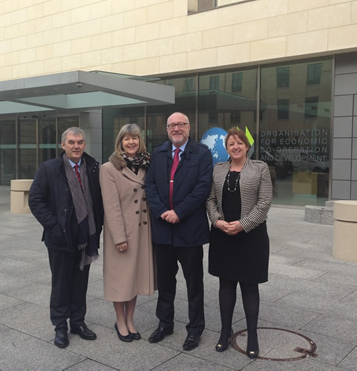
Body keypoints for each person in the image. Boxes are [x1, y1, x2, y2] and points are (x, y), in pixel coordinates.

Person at [29, 127, 104, 349]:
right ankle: (60, 326)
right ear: (63, 145)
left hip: (85, 237)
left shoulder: (92, 168)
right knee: (61, 284)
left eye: (80, 142)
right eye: (71, 142)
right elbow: (35, 200)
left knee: (80, 283)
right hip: (60, 239)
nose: (76, 146)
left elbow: (98, 201)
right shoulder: (50, 168)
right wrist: (53, 226)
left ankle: (78, 323)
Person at [145, 112, 213, 351]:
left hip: (189, 230)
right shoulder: (158, 153)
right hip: (163, 229)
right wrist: (162, 210)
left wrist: (179, 212)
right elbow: (150, 185)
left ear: (188, 127)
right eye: (172, 125)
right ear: (167, 129)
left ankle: (195, 329)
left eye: (180, 124)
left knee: (193, 283)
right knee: (165, 281)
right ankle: (165, 323)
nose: (176, 128)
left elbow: (203, 187)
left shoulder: (202, 154)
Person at [206, 127, 272, 359]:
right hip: (223, 236)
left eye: (239, 143)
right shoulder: (218, 169)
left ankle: (252, 335)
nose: (235, 147)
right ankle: (225, 330)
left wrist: (243, 224)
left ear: (247, 146)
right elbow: (210, 199)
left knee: (249, 286)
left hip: (251, 237)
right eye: (231, 143)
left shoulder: (260, 168)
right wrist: (217, 221)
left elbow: (264, 203)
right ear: (226, 148)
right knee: (226, 285)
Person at [99, 124, 156, 343]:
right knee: (120, 280)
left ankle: (130, 319)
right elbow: (110, 207)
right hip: (122, 233)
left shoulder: (146, 165)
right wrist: (119, 237)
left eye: (134, 138)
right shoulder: (109, 168)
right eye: (126, 139)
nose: (131, 142)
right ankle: (120, 321)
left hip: (143, 232)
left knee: (135, 278)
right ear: (120, 142)